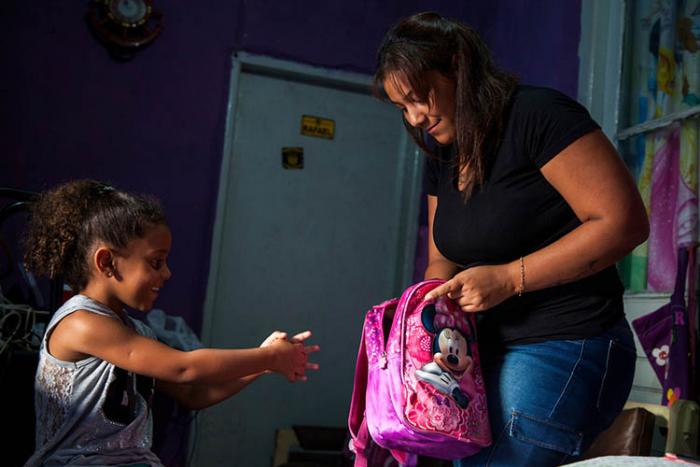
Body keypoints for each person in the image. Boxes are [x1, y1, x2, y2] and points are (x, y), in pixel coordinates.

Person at [374, 12, 648, 467]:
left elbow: (623, 223)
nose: (417, 117)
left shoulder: (539, 116)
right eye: (403, 108)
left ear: (458, 69)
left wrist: (508, 278)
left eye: (420, 97)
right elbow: (442, 259)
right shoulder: (444, 152)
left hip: (567, 341)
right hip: (482, 353)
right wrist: (427, 314)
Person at [22, 179, 320, 466]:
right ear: (107, 262)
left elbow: (194, 394)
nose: (167, 274)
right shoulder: (80, 323)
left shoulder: (138, 333)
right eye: (156, 262)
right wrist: (268, 355)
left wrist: (262, 366)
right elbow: (184, 368)